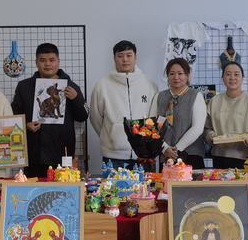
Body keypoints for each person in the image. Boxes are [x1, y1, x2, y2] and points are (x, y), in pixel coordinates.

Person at [11, 43, 88, 178]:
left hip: (62, 153)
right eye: (42, 60)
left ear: (58, 62)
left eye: (52, 60)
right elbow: (14, 116)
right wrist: (26, 125)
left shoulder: (70, 87)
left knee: (63, 187)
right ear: (36, 62)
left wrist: (76, 98)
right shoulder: (24, 87)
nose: (47, 64)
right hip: (33, 153)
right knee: (32, 188)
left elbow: (83, 116)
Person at [90, 40, 158, 168]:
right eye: (120, 56)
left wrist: (146, 145)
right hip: (113, 156)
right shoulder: (102, 85)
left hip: (144, 155)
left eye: (129, 55)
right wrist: (112, 134)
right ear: (114, 58)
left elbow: (153, 118)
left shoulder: (149, 84)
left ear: (135, 57)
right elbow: (95, 118)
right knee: (113, 183)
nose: (125, 59)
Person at [204, 62, 248, 169]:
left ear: (242, 78)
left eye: (236, 74)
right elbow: (207, 128)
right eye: (228, 74)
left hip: (244, 158)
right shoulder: (214, 101)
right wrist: (210, 136)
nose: (232, 78)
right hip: (219, 156)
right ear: (222, 78)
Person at [149, 58, 207, 169]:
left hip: (191, 155)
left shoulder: (196, 96)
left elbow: (197, 128)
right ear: (167, 76)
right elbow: (151, 126)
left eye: (180, 73)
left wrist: (176, 149)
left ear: (187, 75)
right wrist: (165, 148)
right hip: (166, 156)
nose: (176, 77)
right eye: (172, 74)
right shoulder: (159, 96)